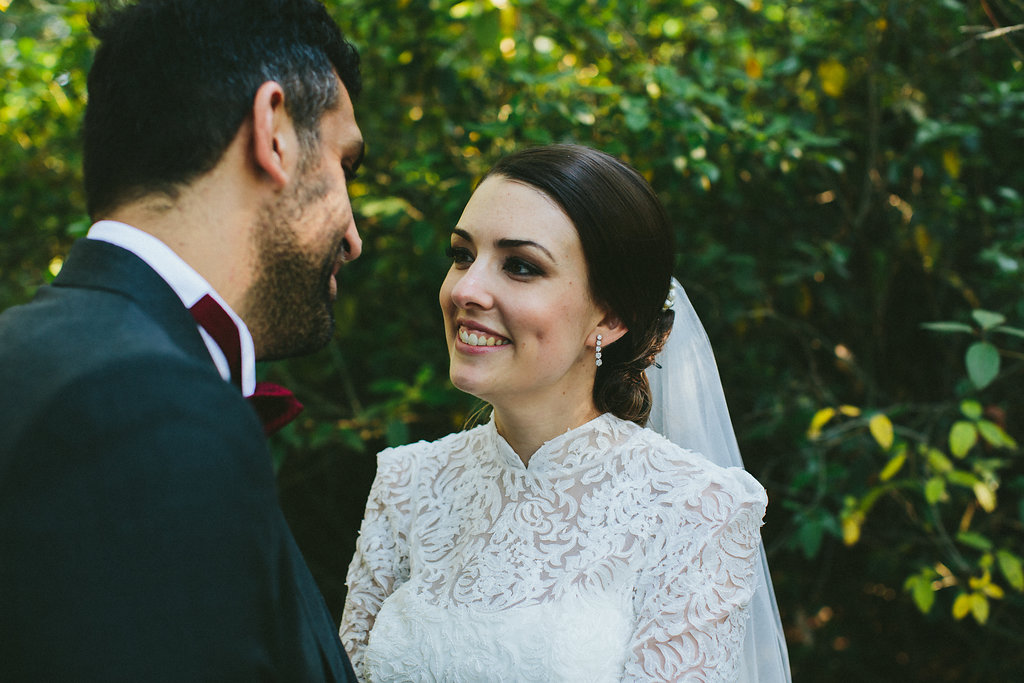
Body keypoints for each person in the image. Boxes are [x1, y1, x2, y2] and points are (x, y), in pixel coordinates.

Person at [0, 0, 365, 679]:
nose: (354, 234)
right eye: (347, 164)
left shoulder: (32, 352)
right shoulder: (143, 407)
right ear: (275, 131)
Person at [339, 144, 791, 681]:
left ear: (611, 316)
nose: (465, 289)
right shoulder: (406, 485)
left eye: (521, 266)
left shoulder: (699, 509)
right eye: (462, 255)